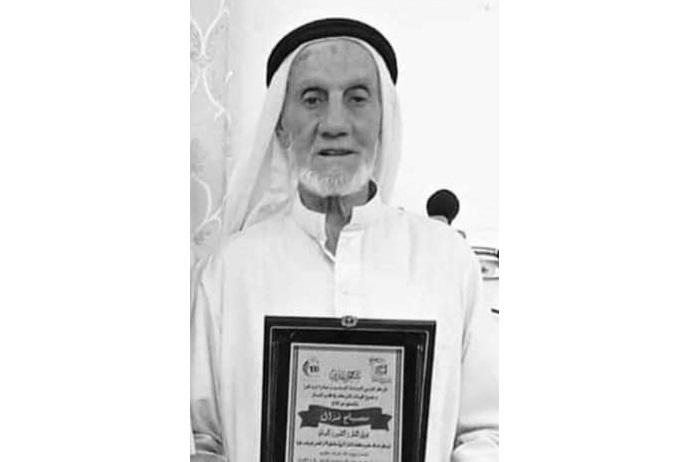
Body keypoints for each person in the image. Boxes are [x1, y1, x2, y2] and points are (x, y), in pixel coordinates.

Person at [191, 18, 498, 461]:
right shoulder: (229, 271)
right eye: (312, 98)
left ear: (382, 121)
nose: (334, 122)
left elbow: (488, 432)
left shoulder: (448, 260)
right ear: (280, 125)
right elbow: (200, 440)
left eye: (356, 98)